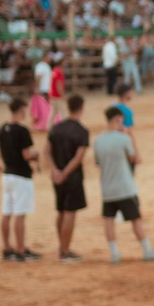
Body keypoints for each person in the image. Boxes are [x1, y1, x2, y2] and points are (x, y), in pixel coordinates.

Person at [93, 106, 154, 265]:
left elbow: (98, 163)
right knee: (136, 219)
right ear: (118, 120)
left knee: (109, 220)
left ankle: (114, 253)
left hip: (107, 189)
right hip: (125, 188)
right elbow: (136, 159)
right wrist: (131, 136)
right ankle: (147, 250)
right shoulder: (124, 139)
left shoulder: (98, 141)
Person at [44, 94, 90, 263]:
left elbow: (46, 152)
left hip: (57, 177)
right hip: (72, 177)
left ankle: (62, 246)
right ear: (81, 108)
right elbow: (78, 158)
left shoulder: (56, 128)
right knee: (70, 212)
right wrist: (65, 173)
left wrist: (56, 170)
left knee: (61, 210)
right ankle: (64, 251)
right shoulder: (82, 131)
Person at [0, 98, 41, 262]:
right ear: (21, 109)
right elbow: (26, 155)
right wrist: (35, 156)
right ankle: (21, 250)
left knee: (7, 212)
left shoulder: (3, 129)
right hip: (21, 175)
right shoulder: (22, 130)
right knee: (20, 214)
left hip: (7, 174)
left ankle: (7, 247)